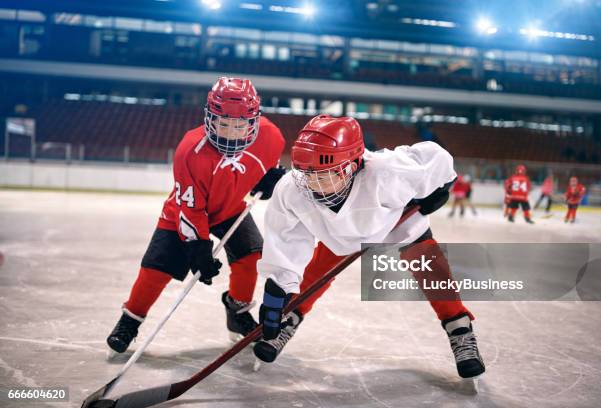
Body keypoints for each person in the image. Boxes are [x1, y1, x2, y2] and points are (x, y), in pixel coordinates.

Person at [253, 115, 485, 380]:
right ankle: (290, 318)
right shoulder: (292, 189)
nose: (313, 185)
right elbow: (286, 242)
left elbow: (437, 158)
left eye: (323, 175)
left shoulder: (388, 171)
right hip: (340, 234)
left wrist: (442, 186)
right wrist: (276, 296)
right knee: (316, 270)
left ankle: (459, 328)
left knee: (429, 267)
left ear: (351, 166)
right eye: (307, 174)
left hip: (395, 222)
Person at [105, 77, 286, 354]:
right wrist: (198, 246)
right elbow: (190, 208)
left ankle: (237, 312)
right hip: (184, 212)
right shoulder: (190, 150)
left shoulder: (272, 137)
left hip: (230, 209)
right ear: (210, 118)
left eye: (239, 126)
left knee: (251, 256)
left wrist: (268, 180)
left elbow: (264, 168)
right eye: (223, 124)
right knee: (157, 268)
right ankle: (130, 319)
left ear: (253, 121)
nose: (231, 134)